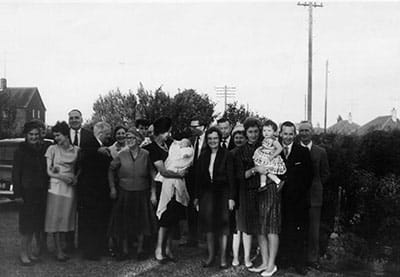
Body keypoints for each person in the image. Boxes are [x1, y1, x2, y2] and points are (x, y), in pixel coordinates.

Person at [108, 128, 157, 260]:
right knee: (124, 222)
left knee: (142, 222)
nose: (128, 140)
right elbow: (111, 170)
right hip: (125, 192)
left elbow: (152, 174)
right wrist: (112, 188)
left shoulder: (146, 154)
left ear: (139, 140)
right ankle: (124, 251)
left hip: (142, 192)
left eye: (132, 138)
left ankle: (140, 250)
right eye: (127, 138)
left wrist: (153, 193)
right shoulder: (122, 154)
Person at [144, 117, 186, 263]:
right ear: (160, 132)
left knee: (172, 219)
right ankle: (158, 249)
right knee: (163, 219)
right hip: (162, 186)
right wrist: (179, 174)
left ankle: (168, 248)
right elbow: (162, 171)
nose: (169, 134)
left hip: (174, 186)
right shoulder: (152, 148)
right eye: (167, 132)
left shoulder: (169, 144)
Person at [193, 126, 235, 269]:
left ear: (220, 139)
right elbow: (198, 178)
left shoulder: (227, 155)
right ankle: (211, 257)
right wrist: (197, 197)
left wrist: (231, 198)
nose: (212, 141)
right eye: (210, 138)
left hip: (222, 194)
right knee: (209, 227)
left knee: (223, 228)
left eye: (215, 138)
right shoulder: (203, 155)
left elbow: (231, 179)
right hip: (207, 195)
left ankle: (223, 258)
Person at [12, 121, 49, 265]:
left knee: (35, 225)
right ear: (26, 135)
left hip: (39, 193)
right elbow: (16, 174)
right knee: (26, 226)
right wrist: (18, 194)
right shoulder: (20, 151)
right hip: (26, 194)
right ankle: (23, 254)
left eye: (36, 134)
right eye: (31, 134)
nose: (33, 137)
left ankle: (30, 252)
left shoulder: (40, 150)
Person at [278, 121, 312, 275]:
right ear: (280, 134)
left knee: (299, 232)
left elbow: (308, 177)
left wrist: (296, 193)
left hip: (297, 201)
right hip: (279, 200)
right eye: (285, 133)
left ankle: (299, 263)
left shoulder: (302, 152)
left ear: (295, 134)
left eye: (291, 134)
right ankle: (283, 260)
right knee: (282, 230)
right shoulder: (274, 151)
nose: (288, 137)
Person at [44, 121, 79, 261]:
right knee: (56, 217)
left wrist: (76, 177)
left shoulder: (77, 150)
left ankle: (64, 247)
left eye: (58, 135)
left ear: (65, 134)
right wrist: (63, 177)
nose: (56, 138)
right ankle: (58, 251)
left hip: (70, 187)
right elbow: (49, 171)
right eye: (55, 136)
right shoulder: (52, 149)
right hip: (56, 186)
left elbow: (80, 168)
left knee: (66, 217)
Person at [77, 121, 113, 260]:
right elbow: (85, 155)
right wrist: (97, 150)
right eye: (108, 134)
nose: (109, 137)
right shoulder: (89, 143)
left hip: (98, 191)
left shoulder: (100, 145)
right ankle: (90, 251)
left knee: (99, 220)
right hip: (91, 191)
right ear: (101, 133)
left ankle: (99, 248)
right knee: (91, 221)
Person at [298, 121, 330, 268]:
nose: (304, 133)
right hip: (297, 197)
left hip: (314, 197)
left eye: (307, 130)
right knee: (298, 228)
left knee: (313, 230)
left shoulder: (320, 152)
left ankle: (312, 259)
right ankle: (298, 259)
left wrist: (315, 187)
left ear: (312, 132)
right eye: (302, 130)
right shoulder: (295, 150)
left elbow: (325, 174)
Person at [67, 109, 98, 252]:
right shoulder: (63, 135)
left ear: (81, 119)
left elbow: (94, 157)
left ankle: (84, 245)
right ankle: (68, 245)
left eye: (76, 117)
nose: (74, 120)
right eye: (71, 118)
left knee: (84, 214)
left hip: (85, 181)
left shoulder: (89, 136)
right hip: (65, 180)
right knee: (68, 212)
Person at [155, 137, 194, 219]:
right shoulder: (173, 147)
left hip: (179, 173)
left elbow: (187, 157)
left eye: (184, 143)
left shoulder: (188, 150)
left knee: (180, 212)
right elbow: (171, 160)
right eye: (181, 143)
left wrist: (184, 154)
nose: (182, 144)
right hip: (170, 175)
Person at [184, 118, 208, 247]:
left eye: (195, 126)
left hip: (205, 179)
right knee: (191, 208)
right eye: (191, 127)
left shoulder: (210, 139)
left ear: (203, 127)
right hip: (191, 179)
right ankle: (192, 238)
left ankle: (204, 238)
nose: (192, 129)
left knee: (205, 208)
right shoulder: (191, 140)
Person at [230, 124, 247, 267]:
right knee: (236, 227)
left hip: (248, 192)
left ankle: (247, 258)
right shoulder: (231, 154)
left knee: (246, 227)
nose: (239, 140)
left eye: (241, 137)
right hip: (235, 193)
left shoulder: (251, 152)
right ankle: (235, 256)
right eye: (236, 137)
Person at [253, 120, 286, 190]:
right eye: (264, 130)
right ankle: (263, 185)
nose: (266, 132)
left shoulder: (273, 140)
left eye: (269, 130)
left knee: (266, 170)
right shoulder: (264, 139)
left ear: (274, 132)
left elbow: (280, 148)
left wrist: (273, 156)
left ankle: (277, 181)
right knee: (262, 171)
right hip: (263, 155)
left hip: (270, 157)